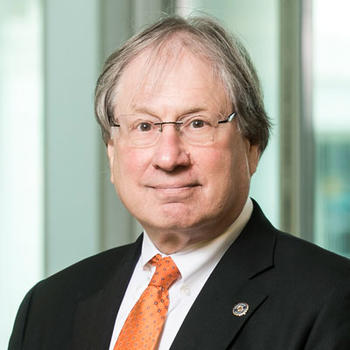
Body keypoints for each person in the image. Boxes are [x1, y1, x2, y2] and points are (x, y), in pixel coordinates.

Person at [9, 15, 350, 350]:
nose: (169, 158)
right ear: (112, 153)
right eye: (145, 126)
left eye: (197, 124)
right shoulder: (47, 307)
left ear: (252, 146)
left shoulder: (332, 300)